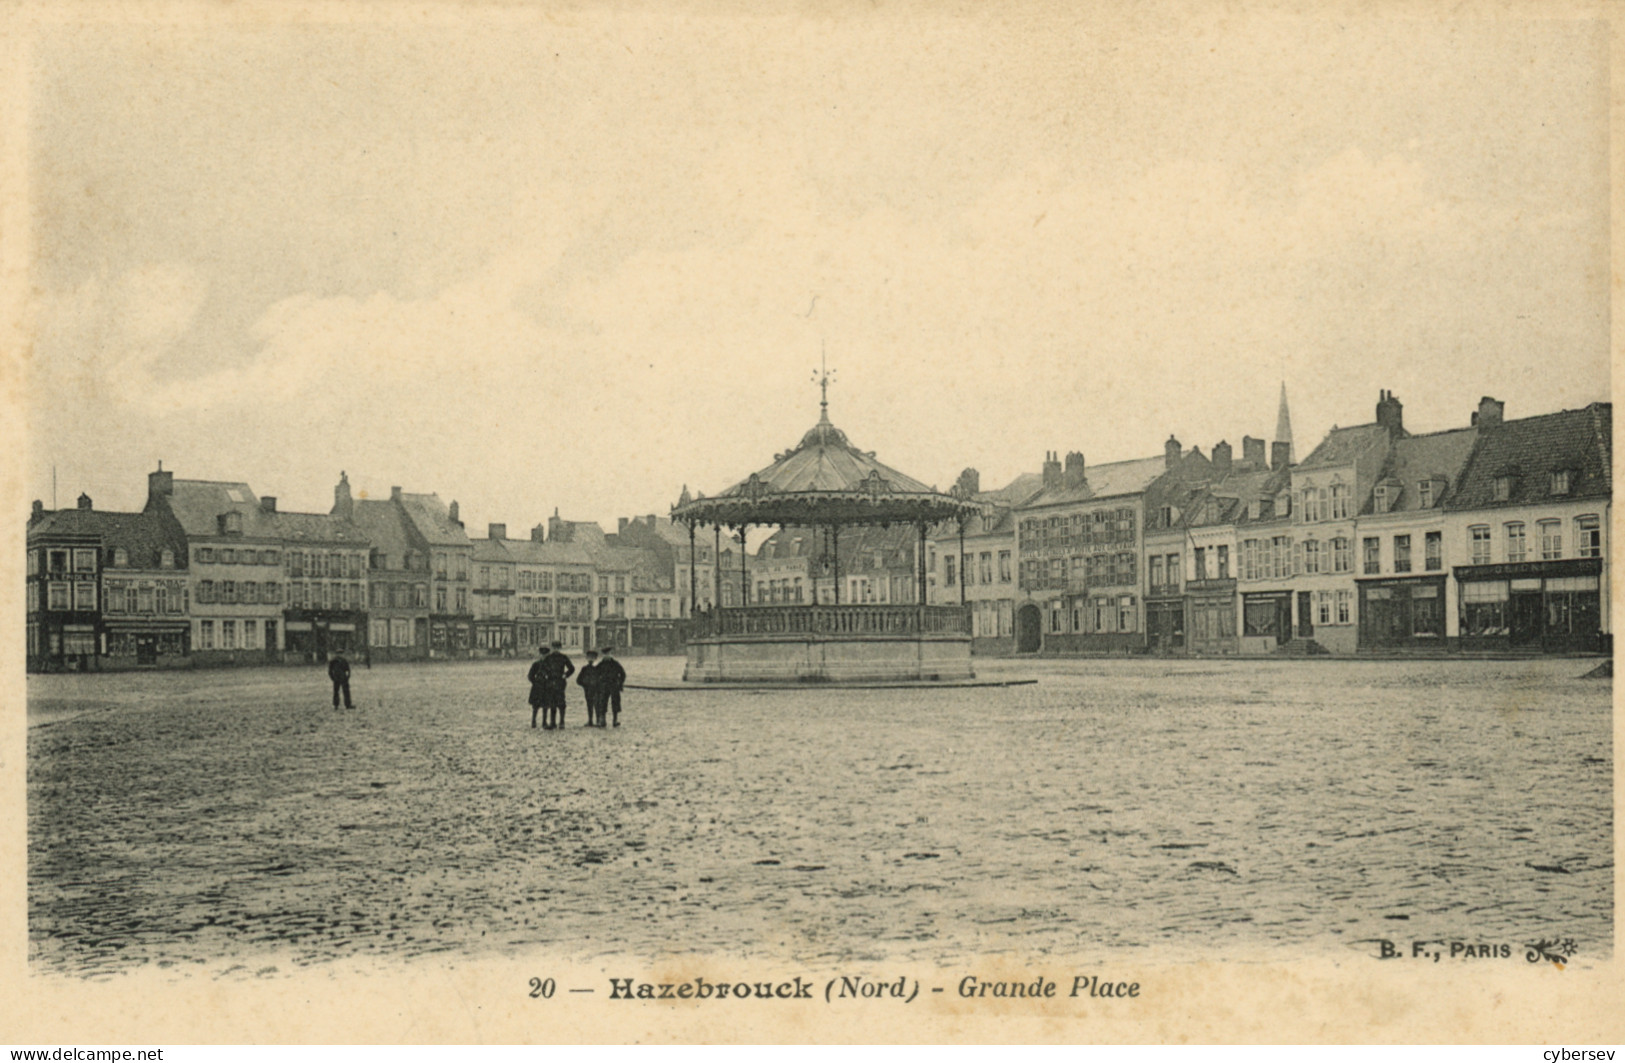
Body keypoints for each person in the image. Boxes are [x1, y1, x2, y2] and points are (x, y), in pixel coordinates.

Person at [543, 640, 575, 729]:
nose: (555, 650)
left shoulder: (563, 657)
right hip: (550, 682)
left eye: (557, 648)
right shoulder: (548, 658)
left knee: (561, 702)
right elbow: (542, 668)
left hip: (560, 682)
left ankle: (562, 722)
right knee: (552, 702)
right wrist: (546, 675)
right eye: (554, 648)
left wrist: (565, 675)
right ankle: (552, 722)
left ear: (560, 648)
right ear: (552, 648)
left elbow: (572, 668)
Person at [598, 646, 626, 727]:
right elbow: (596, 674)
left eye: (609, 654)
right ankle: (603, 720)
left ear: (611, 654)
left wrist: (620, 683)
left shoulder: (615, 663)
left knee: (615, 703)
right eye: (605, 654)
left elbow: (623, 674)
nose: (607, 655)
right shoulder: (601, 664)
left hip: (614, 686)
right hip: (604, 686)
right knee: (603, 702)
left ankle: (615, 720)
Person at [526, 645, 553, 729]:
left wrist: (549, 682)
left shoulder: (550, 664)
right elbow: (530, 675)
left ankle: (544, 722)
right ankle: (533, 721)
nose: (543, 656)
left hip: (546, 687)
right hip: (537, 687)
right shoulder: (536, 664)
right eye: (542, 654)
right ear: (540, 655)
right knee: (535, 705)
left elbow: (552, 675)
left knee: (546, 705)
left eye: (545, 655)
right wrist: (535, 682)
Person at [576, 649, 603, 726]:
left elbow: (602, 678)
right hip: (588, 690)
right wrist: (585, 684)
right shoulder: (584, 669)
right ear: (586, 658)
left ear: (596, 658)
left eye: (592, 657)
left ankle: (598, 720)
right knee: (589, 705)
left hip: (597, 690)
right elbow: (578, 680)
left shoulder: (598, 668)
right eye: (589, 657)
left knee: (597, 705)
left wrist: (598, 684)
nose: (590, 659)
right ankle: (590, 720)